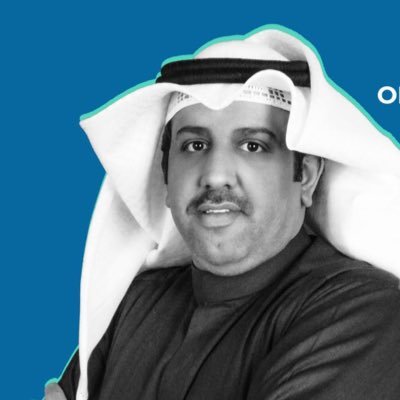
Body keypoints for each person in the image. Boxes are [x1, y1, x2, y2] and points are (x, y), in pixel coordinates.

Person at [45, 26, 400, 400]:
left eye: (252, 146)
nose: (215, 174)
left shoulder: (364, 310)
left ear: (306, 177)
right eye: (195, 145)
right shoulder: (133, 303)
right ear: (166, 176)